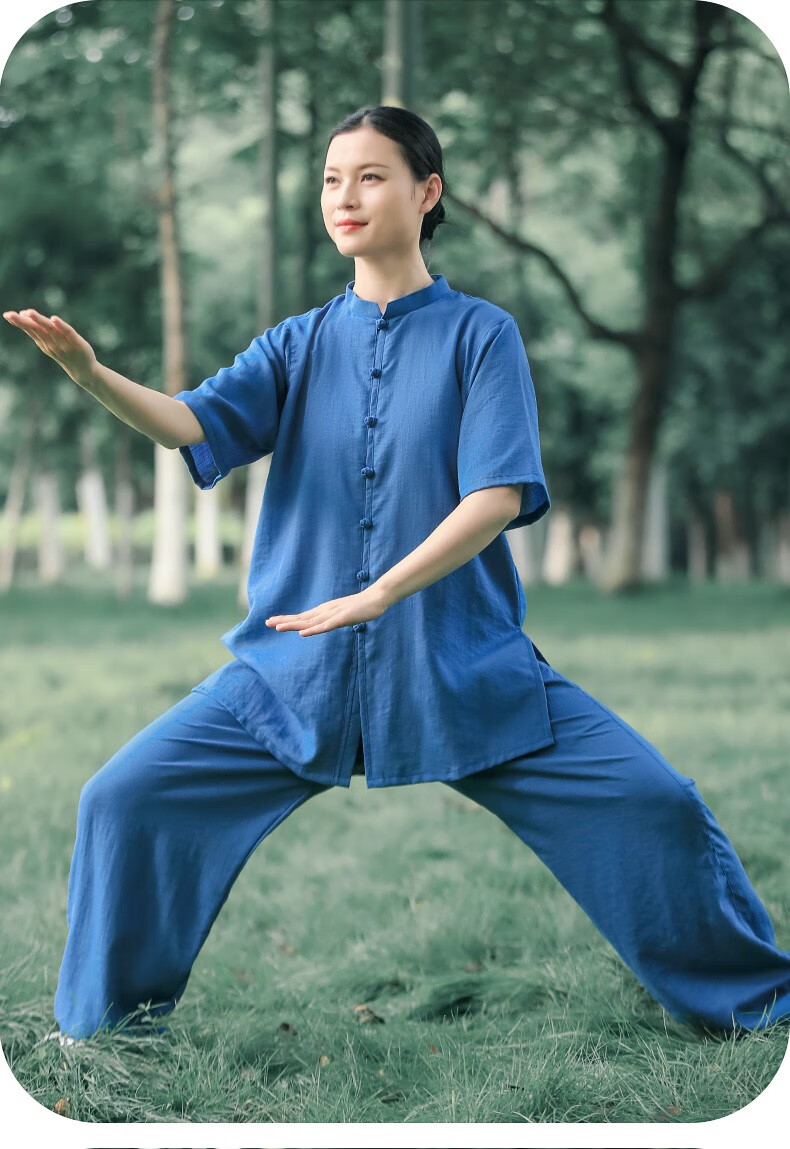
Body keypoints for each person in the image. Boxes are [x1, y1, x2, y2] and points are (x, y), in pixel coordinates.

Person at [6, 105, 789, 1046]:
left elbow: (497, 494)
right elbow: (189, 424)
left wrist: (383, 590)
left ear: (428, 193)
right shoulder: (295, 343)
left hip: (460, 663)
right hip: (290, 672)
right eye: (333, 178)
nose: (346, 196)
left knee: (654, 803)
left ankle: (757, 1005)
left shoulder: (481, 335)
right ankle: (102, 1035)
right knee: (122, 798)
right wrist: (91, 373)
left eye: (371, 176)